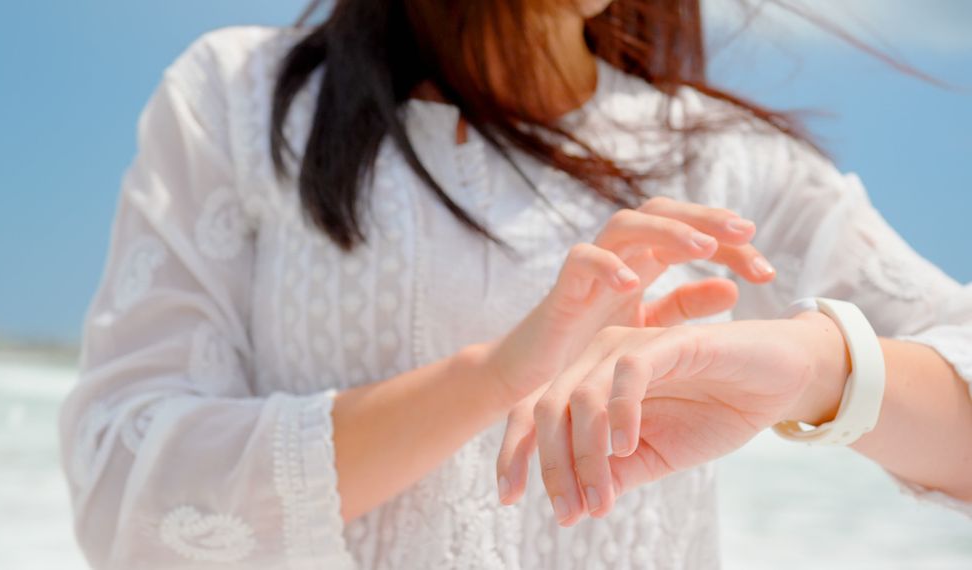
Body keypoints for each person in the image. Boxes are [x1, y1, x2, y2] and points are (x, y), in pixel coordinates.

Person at [57, 0, 972, 568]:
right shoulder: (243, 99)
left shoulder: (731, 161)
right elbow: (126, 497)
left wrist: (815, 367)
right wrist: (491, 377)